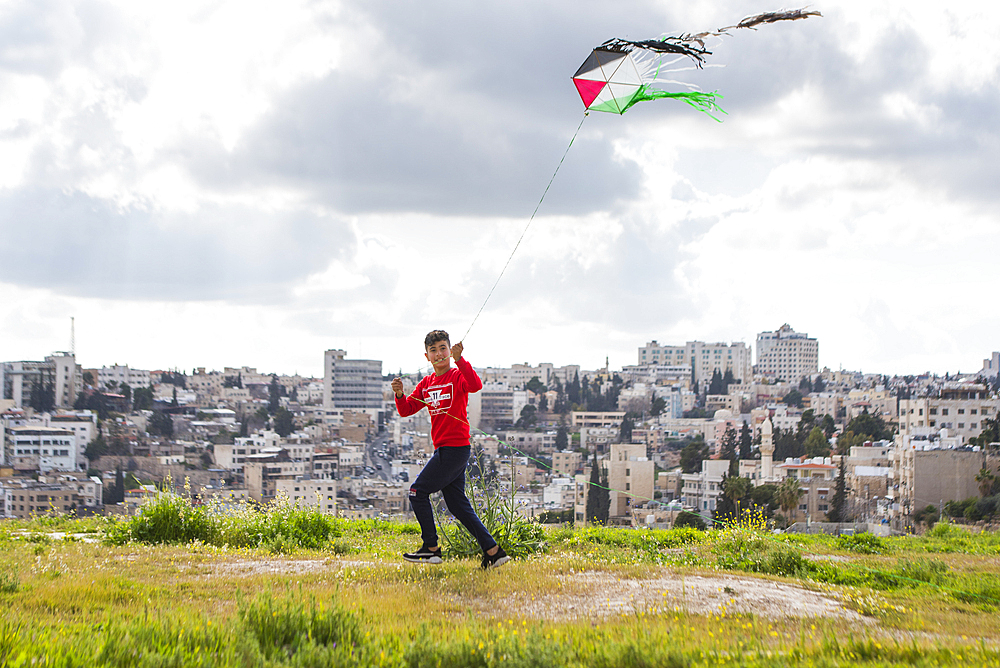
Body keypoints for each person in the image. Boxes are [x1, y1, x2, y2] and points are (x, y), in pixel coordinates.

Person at [392, 330, 509, 569]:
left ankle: (431, 549)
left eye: (443, 349)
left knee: (417, 492)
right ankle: (494, 551)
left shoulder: (457, 375)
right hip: (445, 450)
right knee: (457, 505)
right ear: (427, 356)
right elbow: (406, 410)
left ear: (449, 350)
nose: (439, 354)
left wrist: (460, 360)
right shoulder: (426, 383)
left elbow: (476, 385)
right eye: (433, 350)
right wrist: (400, 395)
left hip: (455, 449)